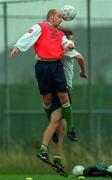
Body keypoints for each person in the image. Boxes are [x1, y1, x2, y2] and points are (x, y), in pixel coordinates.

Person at [10, 9, 77, 142]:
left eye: (62, 18)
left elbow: (65, 43)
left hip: (56, 66)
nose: (61, 19)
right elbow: (29, 35)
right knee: (47, 100)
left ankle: (71, 129)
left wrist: (69, 44)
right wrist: (18, 46)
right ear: (51, 16)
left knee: (64, 97)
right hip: (42, 67)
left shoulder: (60, 33)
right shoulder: (40, 26)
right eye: (59, 17)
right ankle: (52, 129)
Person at [37, 28, 87, 176]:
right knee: (55, 122)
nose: (73, 40)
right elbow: (80, 58)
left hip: (53, 88)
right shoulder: (67, 48)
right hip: (61, 90)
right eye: (71, 38)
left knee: (61, 127)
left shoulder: (52, 49)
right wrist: (83, 71)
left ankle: (57, 158)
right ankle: (43, 149)